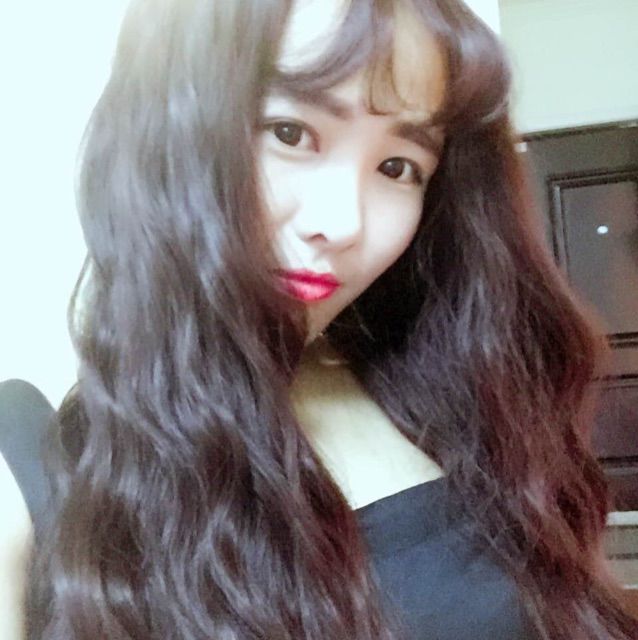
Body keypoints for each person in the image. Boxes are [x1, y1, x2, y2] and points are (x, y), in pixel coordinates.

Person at [1, 0, 637, 638]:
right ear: (162, 134)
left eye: (397, 168)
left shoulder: (443, 395)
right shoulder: (31, 461)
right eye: (289, 132)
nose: (343, 223)